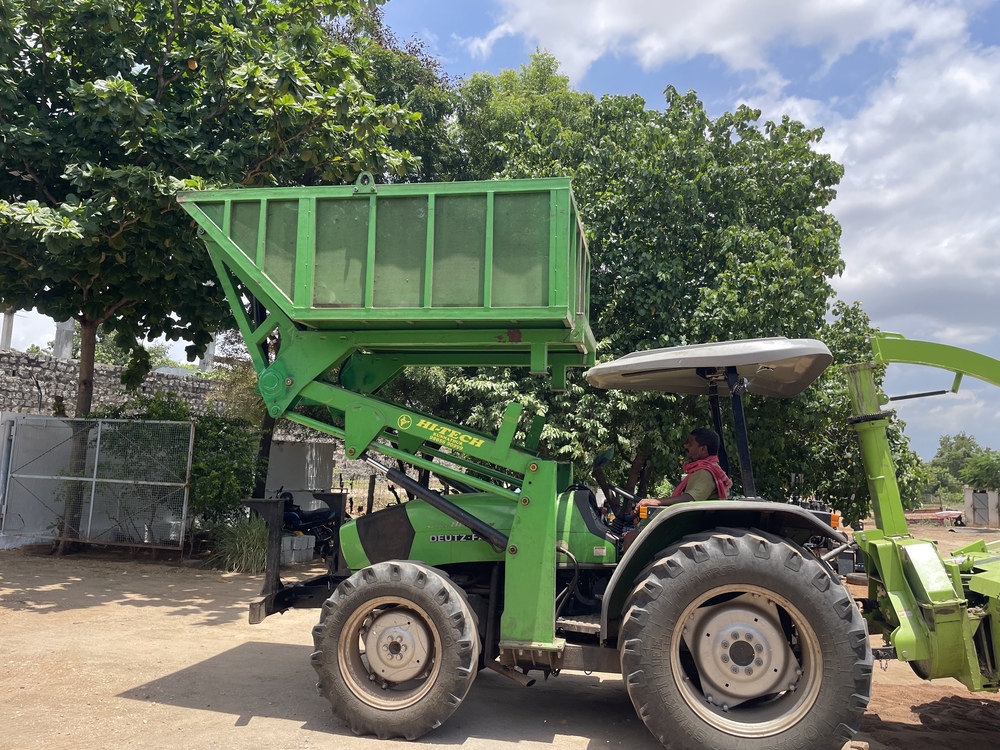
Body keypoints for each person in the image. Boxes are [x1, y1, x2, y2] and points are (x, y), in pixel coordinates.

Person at [637, 427, 732, 510]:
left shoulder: (705, 473)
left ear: (703, 449)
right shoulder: (701, 470)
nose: (685, 446)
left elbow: (689, 498)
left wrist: (656, 501)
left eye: (690, 444)